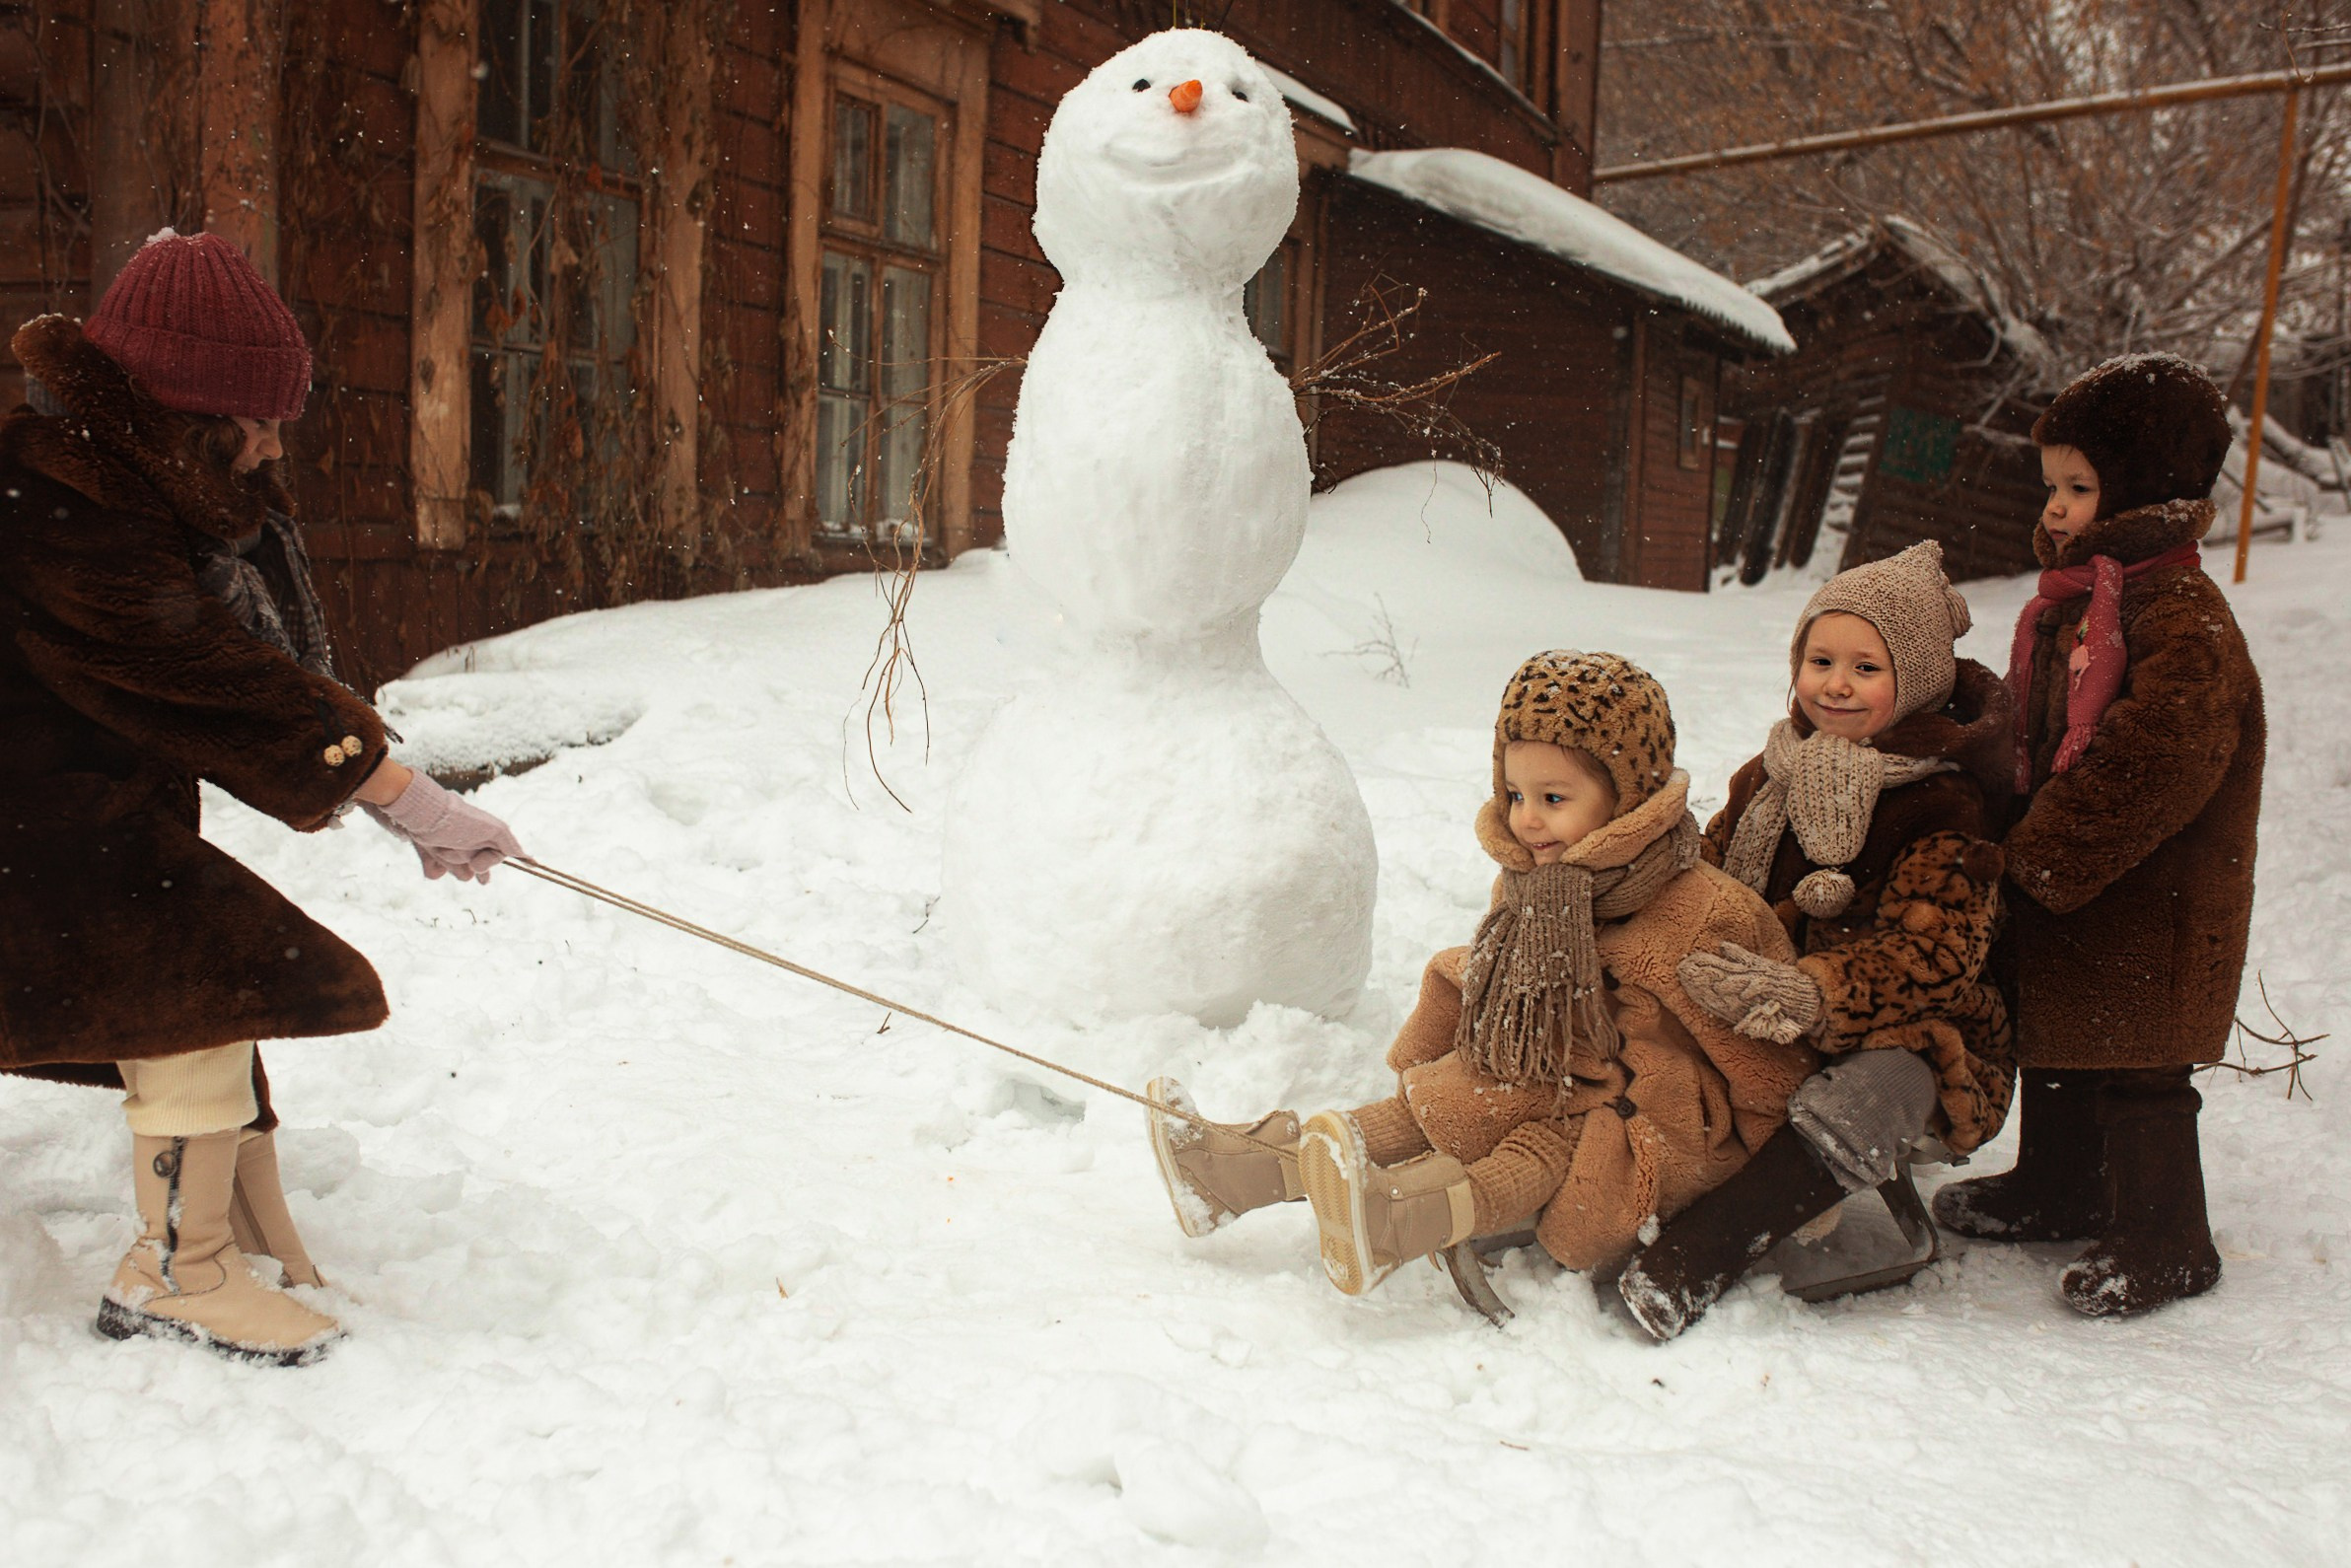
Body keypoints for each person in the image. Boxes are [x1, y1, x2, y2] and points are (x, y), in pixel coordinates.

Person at [0, 229, 523, 1365]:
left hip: (71, 816)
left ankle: (241, 1229)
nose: (275, 439)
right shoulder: (62, 501)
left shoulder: (126, 483)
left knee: (199, 986)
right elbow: (200, 672)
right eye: (260, 417)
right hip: (31, 828)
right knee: (198, 980)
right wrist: (401, 792)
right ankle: (175, 1275)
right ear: (190, 409)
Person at [1147, 651, 1817, 1299]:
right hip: (1554, 1073)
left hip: (1657, 1119)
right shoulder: (1534, 883)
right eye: (1516, 793)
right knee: (1442, 1100)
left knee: (1545, 1139)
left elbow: (1763, 1059)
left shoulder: (1701, 913)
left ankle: (1402, 1218)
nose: (1527, 817)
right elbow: (1499, 987)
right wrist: (1450, 1057)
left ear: (1629, 797)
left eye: (1553, 797)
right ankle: (1239, 1173)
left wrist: (1784, 1189)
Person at [1611, 541, 2016, 1339]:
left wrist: (1813, 992)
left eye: (1866, 668)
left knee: (1877, 1090)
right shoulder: (1768, 775)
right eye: (1820, 659)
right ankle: (1616, 1176)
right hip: (1763, 995)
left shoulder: (1943, 806)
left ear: (1918, 680)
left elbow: (1934, 961)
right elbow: (1713, 875)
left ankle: (1706, 1250)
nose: (1835, 683)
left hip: (1918, 1028)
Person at [1931, 354, 2261, 1318]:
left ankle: (2166, 1237)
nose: (2059, 509)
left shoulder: (2178, 613)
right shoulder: (2081, 600)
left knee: (2138, 1068)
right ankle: (2060, 1183)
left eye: (2079, 487)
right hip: (2083, 887)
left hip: (2155, 896)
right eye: (2053, 489)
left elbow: (2158, 754)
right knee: (2065, 1039)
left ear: (2143, 487)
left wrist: (2041, 851)